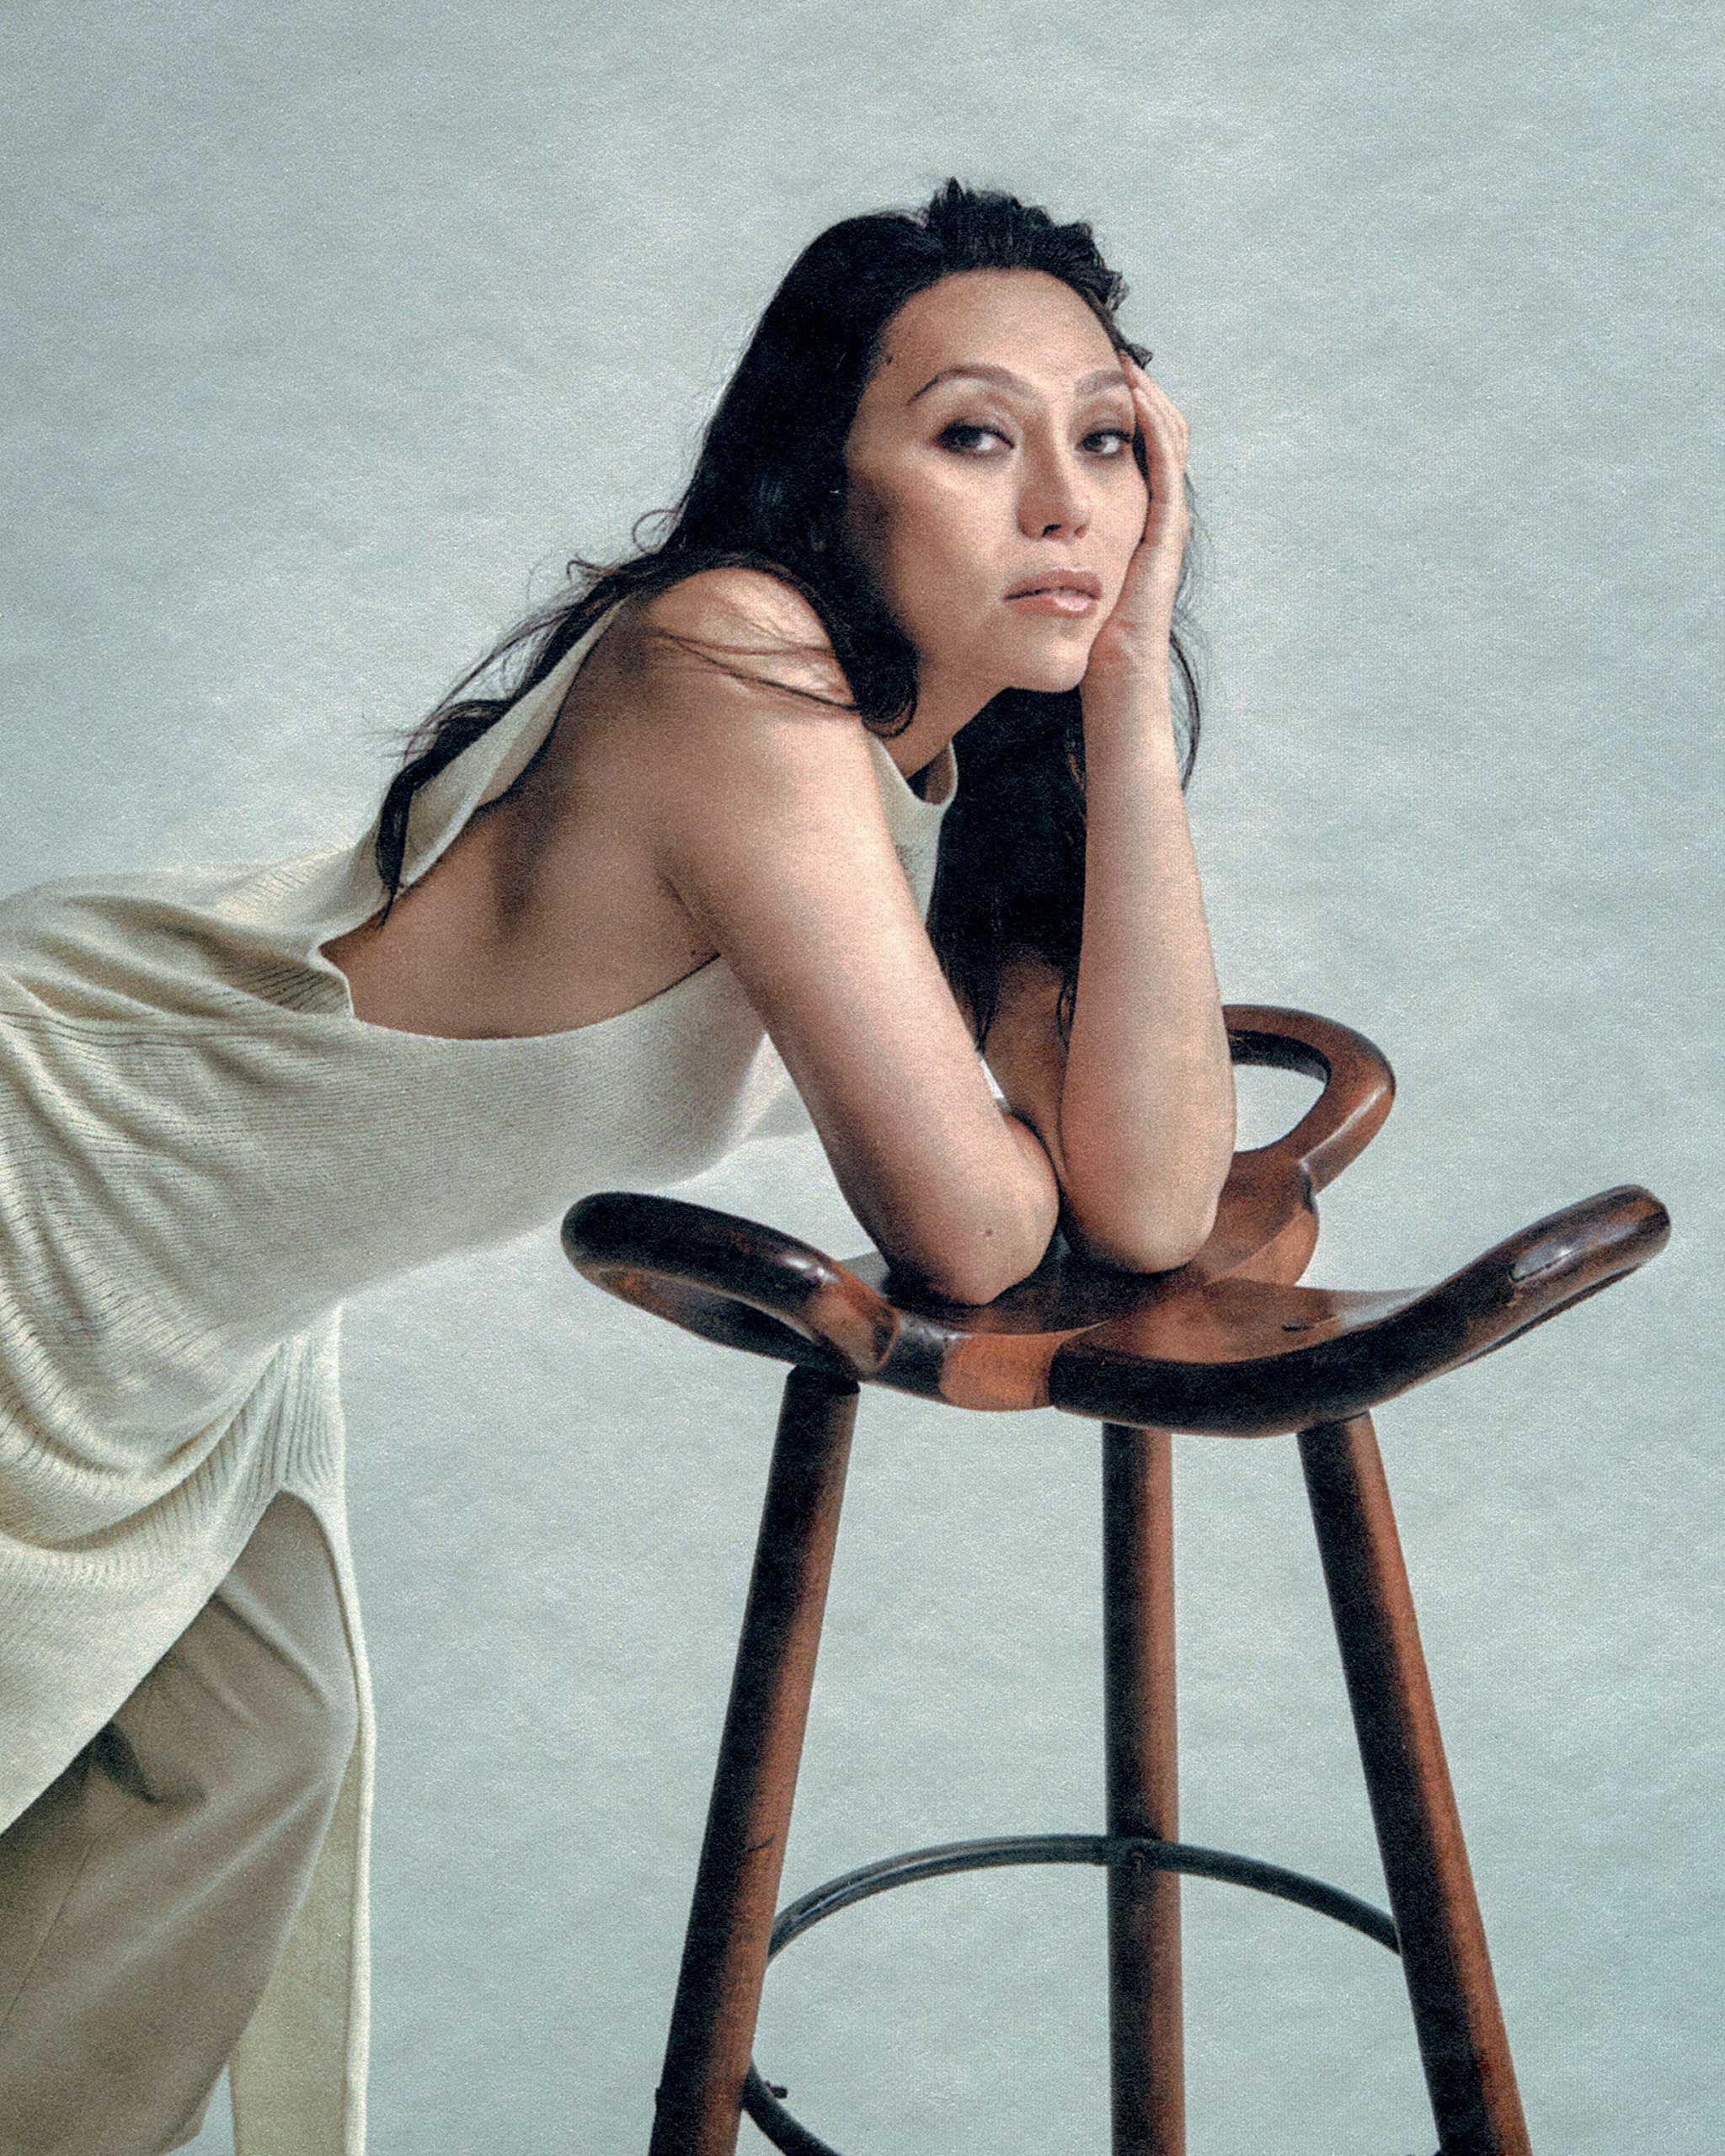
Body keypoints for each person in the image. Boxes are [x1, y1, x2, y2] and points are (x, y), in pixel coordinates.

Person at [0, 180, 1235, 2154]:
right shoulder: (732, 660)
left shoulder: (956, 773)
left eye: (1107, 439)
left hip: (197, 1324)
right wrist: (1011, 1144)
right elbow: (974, 1225)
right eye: (973, 435)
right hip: (54, 1183)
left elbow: (1152, 1198)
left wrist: (1128, 695)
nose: (1063, 506)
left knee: (236, 1765)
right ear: (826, 478)